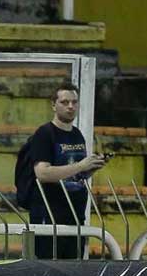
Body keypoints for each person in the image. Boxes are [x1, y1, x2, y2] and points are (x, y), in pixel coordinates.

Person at [25, 81, 108, 259]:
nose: (70, 106)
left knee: (73, 267)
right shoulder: (45, 133)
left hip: (75, 212)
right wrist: (80, 166)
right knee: (49, 268)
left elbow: (76, 174)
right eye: (64, 102)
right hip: (50, 214)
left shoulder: (77, 134)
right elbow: (42, 173)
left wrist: (90, 168)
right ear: (53, 105)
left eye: (74, 102)